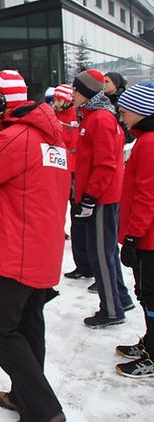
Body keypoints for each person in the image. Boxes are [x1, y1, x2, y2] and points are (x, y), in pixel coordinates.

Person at [0, 70, 69, 422]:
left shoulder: (14, 138)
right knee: (29, 324)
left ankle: (45, 410)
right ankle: (25, 396)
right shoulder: (50, 135)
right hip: (41, 250)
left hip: (17, 254)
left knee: (1, 329)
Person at [71, 69, 134, 327]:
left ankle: (111, 310)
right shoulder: (95, 117)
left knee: (101, 254)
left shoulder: (100, 119)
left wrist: (89, 197)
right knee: (104, 252)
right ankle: (120, 297)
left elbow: (105, 164)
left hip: (101, 198)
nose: (72, 94)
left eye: (76, 90)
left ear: (86, 93)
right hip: (101, 196)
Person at [115, 82, 154, 378]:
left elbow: (147, 195)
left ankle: (153, 354)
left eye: (126, 110)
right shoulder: (144, 140)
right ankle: (150, 341)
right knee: (145, 292)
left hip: (148, 239)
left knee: (151, 294)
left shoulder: (150, 143)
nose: (122, 115)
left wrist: (133, 235)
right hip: (144, 236)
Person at [53, 84, 93, 280]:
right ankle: (82, 265)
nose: (55, 103)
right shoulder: (58, 116)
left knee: (79, 220)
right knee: (74, 221)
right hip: (64, 172)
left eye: (58, 100)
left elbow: (72, 145)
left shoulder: (75, 119)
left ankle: (89, 266)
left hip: (75, 174)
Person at [105, 71, 135, 144]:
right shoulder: (99, 102)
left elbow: (130, 134)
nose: (103, 84)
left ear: (116, 84)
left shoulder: (126, 102)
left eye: (107, 81)